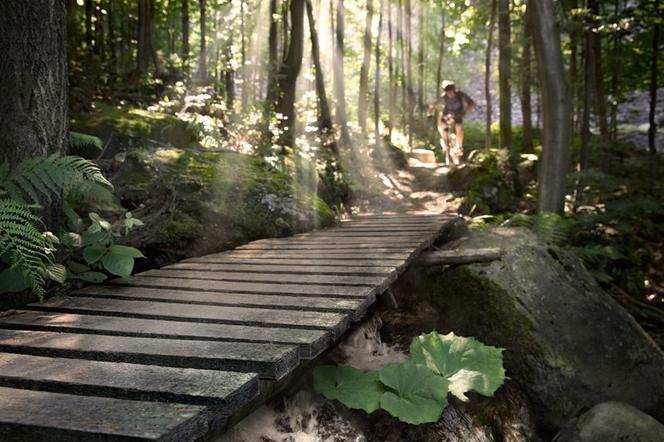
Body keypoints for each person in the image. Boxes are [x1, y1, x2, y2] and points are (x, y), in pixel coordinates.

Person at [427, 82, 476, 165]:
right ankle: (445, 140)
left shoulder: (460, 95)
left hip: (458, 113)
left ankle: (459, 146)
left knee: (458, 127)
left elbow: (471, 102)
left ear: (454, 91)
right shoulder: (444, 97)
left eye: (451, 92)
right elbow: (434, 104)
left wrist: (468, 109)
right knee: (441, 124)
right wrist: (429, 113)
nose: (450, 94)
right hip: (447, 113)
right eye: (448, 92)